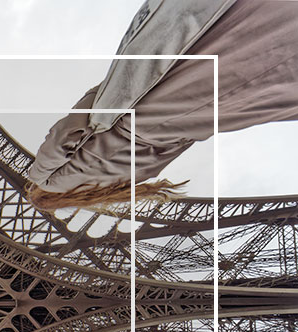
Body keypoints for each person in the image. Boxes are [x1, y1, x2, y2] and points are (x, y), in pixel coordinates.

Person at [25, 0, 298, 210]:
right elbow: (67, 133)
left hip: (174, 127)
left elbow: (166, 152)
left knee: (246, 82)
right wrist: (101, 90)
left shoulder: (123, 186)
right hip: (136, 114)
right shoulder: (44, 178)